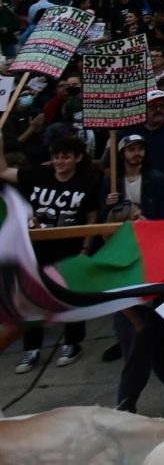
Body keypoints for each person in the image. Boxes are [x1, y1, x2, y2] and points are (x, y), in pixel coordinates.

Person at [2, 129, 101, 369]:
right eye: (56, 156)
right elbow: (3, 170)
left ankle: (72, 342)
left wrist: (85, 250)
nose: (59, 162)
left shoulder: (88, 182)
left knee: (71, 295)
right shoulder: (38, 175)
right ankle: (32, 348)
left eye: (66, 156)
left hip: (70, 250)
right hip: (36, 252)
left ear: (78, 158)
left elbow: (92, 218)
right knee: (30, 297)